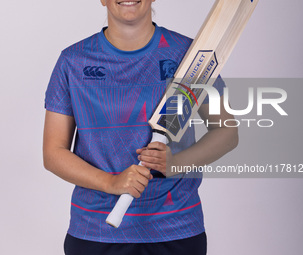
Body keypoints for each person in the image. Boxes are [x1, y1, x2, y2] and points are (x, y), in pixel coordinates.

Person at [43, 0, 238, 254]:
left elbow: (226, 131)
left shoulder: (189, 56)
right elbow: (53, 153)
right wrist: (111, 183)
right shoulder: (73, 62)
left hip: (175, 228)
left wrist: (176, 163)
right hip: (95, 232)